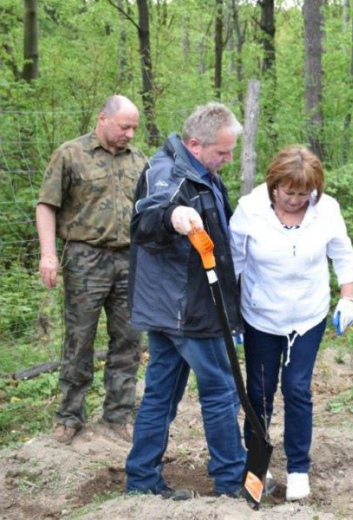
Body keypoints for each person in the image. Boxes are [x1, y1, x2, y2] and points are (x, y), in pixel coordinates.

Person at [125, 102, 247, 499]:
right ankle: (232, 480)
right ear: (196, 144)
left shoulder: (201, 171)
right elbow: (146, 221)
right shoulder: (170, 174)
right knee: (220, 390)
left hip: (175, 307)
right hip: (187, 310)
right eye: (222, 153)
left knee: (161, 392)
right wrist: (172, 216)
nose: (227, 160)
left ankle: (142, 480)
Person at [229, 145, 353, 501]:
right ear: (274, 185)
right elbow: (234, 263)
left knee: (297, 388)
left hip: (308, 314)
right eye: (289, 192)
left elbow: (343, 254)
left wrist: (347, 298)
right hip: (261, 315)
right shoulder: (249, 211)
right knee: (259, 391)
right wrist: (230, 317)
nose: (296, 200)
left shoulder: (327, 209)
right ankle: (257, 468)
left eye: (304, 194)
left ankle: (299, 468)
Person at [36, 95, 146, 445]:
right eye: (124, 126)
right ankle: (69, 416)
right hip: (85, 257)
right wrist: (48, 255)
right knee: (79, 338)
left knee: (128, 339)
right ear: (103, 118)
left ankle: (118, 415)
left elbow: (150, 212)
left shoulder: (140, 161)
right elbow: (46, 206)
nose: (130, 134)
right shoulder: (70, 154)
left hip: (130, 259)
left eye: (134, 128)